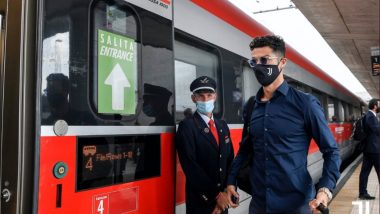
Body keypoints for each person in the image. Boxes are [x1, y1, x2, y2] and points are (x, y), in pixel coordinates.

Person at [226, 35, 340, 213]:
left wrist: (324, 191)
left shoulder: (305, 104)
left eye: (265, 59)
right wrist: (231, 180)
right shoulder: (251, 106)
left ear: (282, 62)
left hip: (296, 205)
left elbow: (331, 151)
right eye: (254, 61)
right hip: (259, 205)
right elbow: (245, 148)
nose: (259, 66)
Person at [176, 76, 234, 214]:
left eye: (209, 95)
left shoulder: (222, 125)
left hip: (224, 200)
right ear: (193, 99)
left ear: (215, 96)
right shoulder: (187, 126)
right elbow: (190, 166)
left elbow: (230, 159)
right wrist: (216, 195)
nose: (206, 100)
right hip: (202, 201)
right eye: (201, 96)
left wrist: (228, 189)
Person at [358, 98, 380, 200]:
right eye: (378, 104)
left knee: (365, 171)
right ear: (375, 106)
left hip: (369, 148)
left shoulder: (368, 115)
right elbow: (377, 130)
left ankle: (362, 193)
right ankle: (362, 192)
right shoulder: (371, 116)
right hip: (374, 149)